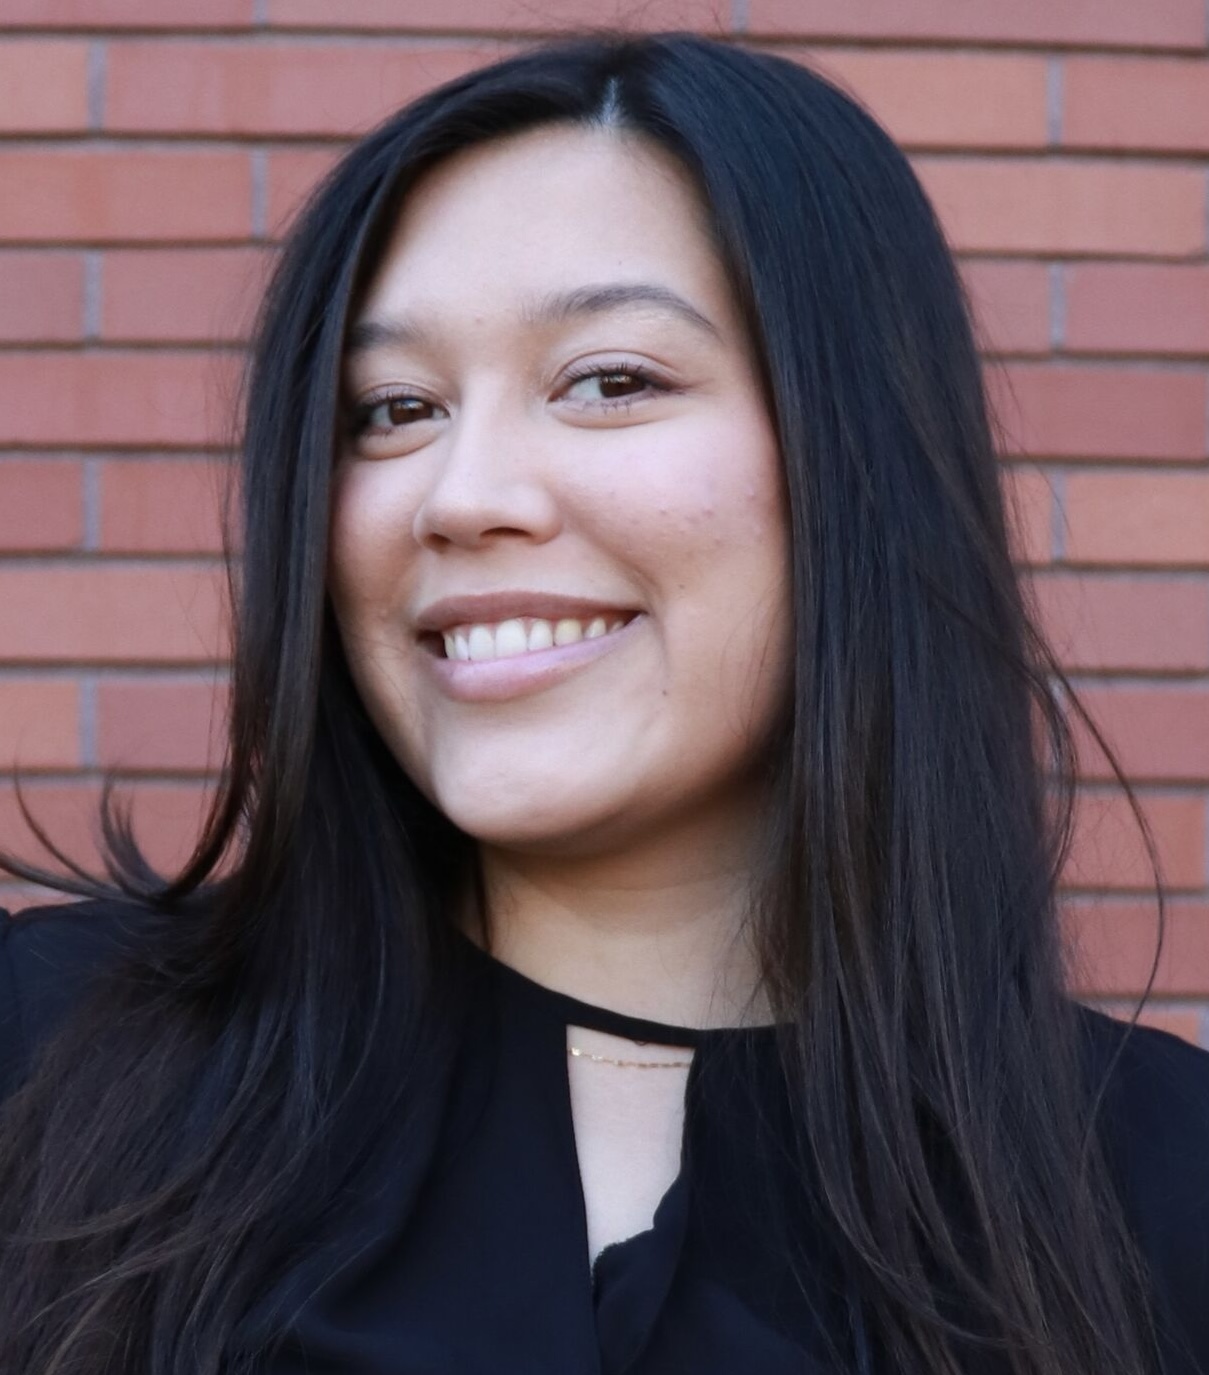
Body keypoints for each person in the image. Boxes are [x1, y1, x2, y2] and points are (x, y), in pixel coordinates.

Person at [0, 31, 1206, 1375]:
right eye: (391, 409)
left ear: (857, 461)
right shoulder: (46, 1057)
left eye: (610, 381)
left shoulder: (1157, 1196)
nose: (461, 497)